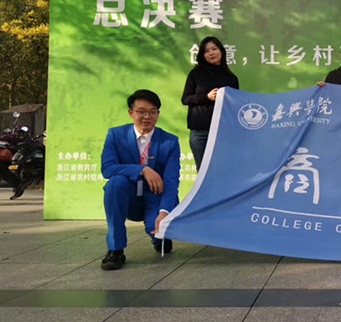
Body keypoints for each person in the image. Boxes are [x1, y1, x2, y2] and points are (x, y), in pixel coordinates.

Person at [100, 90, 181, 270]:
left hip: (155, 194)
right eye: (141, 112)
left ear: (158, 114)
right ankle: (115, 249)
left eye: (152, 112)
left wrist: (165, 212)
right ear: (131, 113)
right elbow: (107, 168)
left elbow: (171, 180)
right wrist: (142, 170)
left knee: (157, 229)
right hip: (128, 194)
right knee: (115, 183)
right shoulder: (115, 135)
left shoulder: (170, 141)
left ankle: (160, 238)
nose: (147, 117)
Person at [182, 36, 239, 170]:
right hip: (199, 131)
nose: (211, 53)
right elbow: (186, 99)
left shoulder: (231, 78)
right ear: (202, 55)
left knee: (221, 170)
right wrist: (207, 97)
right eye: (206, 51)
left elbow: (235, 105)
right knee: (203, 171)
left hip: (222, 131)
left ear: (221, 51)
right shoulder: (196, 74)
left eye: (214, 49)